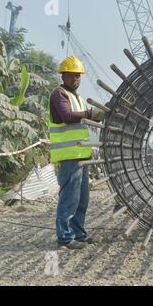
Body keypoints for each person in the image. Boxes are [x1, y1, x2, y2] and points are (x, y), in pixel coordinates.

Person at [49, 56, 105, 249]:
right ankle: (65, 237)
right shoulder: (59, 94)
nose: (76, 80)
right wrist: (90, 114)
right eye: (72, 76)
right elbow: (66, 116)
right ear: (63, 76)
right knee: (69, 198)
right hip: (69, 155)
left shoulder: (77, 98)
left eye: (78, 76)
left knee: (82, 199)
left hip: (81, 155)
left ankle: (79, 233)